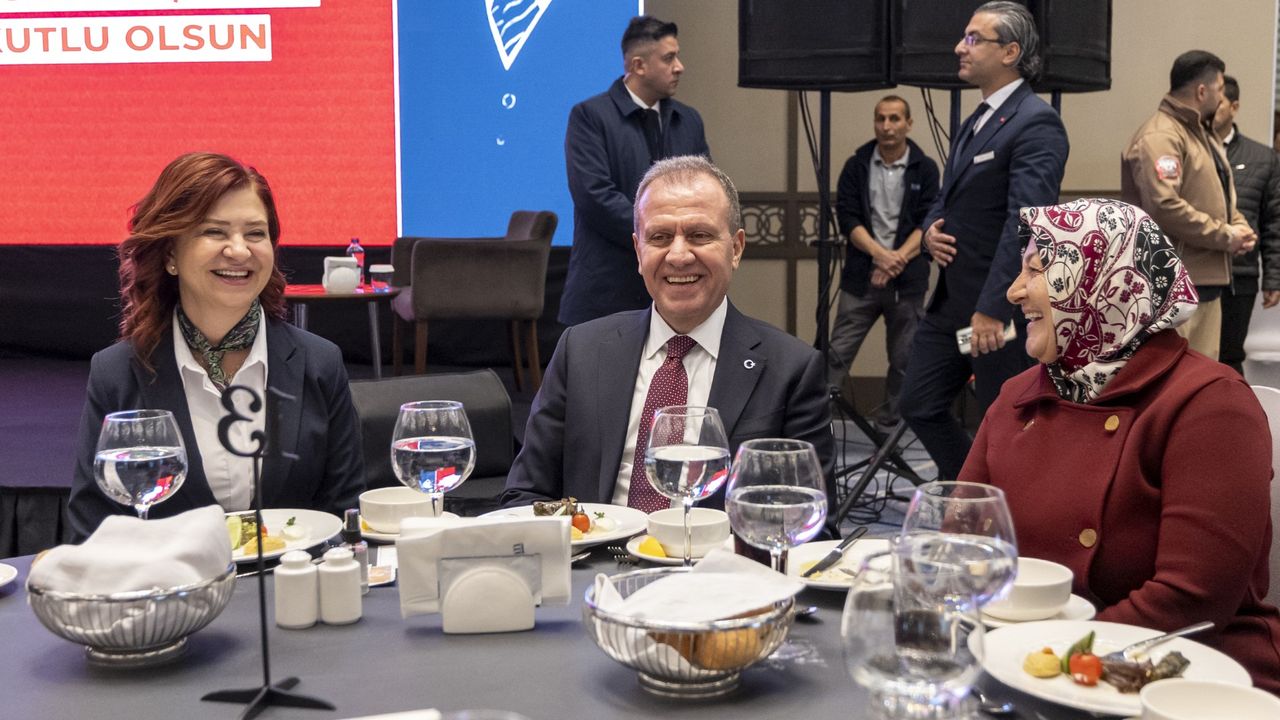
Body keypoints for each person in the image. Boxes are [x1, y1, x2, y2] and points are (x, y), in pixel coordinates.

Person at [961, 198, 1280, 694]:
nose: (1014, 290)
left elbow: (1191, 599)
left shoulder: (1209, 404)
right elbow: (958, 539)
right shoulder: (1018, 396)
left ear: (1107, 279)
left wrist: (1044, 658)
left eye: (1037, 270)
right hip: (1021, 662)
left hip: (1182, 676)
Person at [501, 156, 835, 514]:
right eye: (659, 237)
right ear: (638, 251)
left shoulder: (791, 370)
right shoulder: (580, 351)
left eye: (699, 235)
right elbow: (525, 496)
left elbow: (814, 523)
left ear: (736, 248)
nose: (678, 256)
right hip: (594, 548)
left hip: (721, 550)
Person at [68, 152, 364, 541]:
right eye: (215, 232)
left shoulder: (319, 362)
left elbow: (345, 515)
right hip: (170, 580)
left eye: (255, 233)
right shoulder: (118, 373)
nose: (239, 251)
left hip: (293, 577)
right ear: (170, 254)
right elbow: (92, 531)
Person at [899, 1, 1069, 480]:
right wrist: (930, 232)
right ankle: (971, 492)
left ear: (1010, 52)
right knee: (917, 402)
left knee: (1008, 423)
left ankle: (1006, 509)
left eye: (974, 38)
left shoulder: (1036, 121)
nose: (960, 47)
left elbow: (1026, 220)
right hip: (951, 302)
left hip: (1000, 309)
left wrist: (994, 307)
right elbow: (947, 197)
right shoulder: (978, 119)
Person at [558, 15, 711, 327]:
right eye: (669, 58)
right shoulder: (590, 116)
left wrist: (671, 238)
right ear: (639, 65)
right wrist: (659, 235)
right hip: (606, 292)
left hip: (677, 291)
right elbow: (594, 196)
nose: (679, 67)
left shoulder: (688, 120)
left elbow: (704, 190)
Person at [1121, 50, 1256, 360]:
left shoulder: (1199, 134)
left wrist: (1238, 225)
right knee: (1172, 376)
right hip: (1172, 282)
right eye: (1220, 89)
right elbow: (1165, 205)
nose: (1221, 98)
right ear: (1202, 91)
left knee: (1202, 373)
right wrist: (1226, 235)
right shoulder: (1161, 135)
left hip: (1203, 280)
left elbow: (1220, 196)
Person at [829, 95, 940, 426]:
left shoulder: (925, 167)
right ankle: (818, 422)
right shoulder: (857, 165)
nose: (887, 126)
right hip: (861, 278)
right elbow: (847, 217)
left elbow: (929, 221)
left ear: (909, 123)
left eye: (894, 118)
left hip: (907, 281)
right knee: (836, 354)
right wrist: (880, 257)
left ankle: (890, 427)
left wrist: (896, 261)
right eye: (881, 118)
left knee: (905, 359)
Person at [1212, 75, 1280, 374]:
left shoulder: (1262, 158)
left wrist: (1273, 280)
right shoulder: (1190, 149)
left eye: (1219, 103)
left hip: (1240, 274)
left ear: (1234, 107)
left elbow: (1273, 223)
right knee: (1193, 356)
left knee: (1230, 355)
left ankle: (1233, 403)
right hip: (1195, 270)